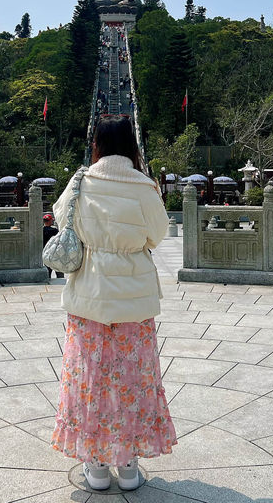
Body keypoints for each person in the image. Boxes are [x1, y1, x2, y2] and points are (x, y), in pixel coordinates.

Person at [51, 115, 176, 491]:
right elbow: (158, 234)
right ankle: (129, 466)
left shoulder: (81, 182)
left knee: (90, 378)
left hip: (89, 297)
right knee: (132, 380)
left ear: (98, 146)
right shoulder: (144, 187)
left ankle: (97, 465)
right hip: (133, 302)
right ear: (131, 145)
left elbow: (62, 221)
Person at [43, 214, 64, 279]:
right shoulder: (55, 231)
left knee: (48, 271)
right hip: (55, 253)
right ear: (49, 221)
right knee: (59, 270)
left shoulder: (41, 230)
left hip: (46, 253)